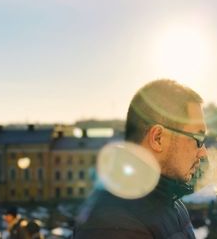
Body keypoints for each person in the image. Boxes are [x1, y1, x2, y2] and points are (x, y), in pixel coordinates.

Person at [74, 79, 208, 239]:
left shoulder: (172, 202)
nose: (203, 153)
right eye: (198, 138)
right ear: (158, 138)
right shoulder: (111, 223)